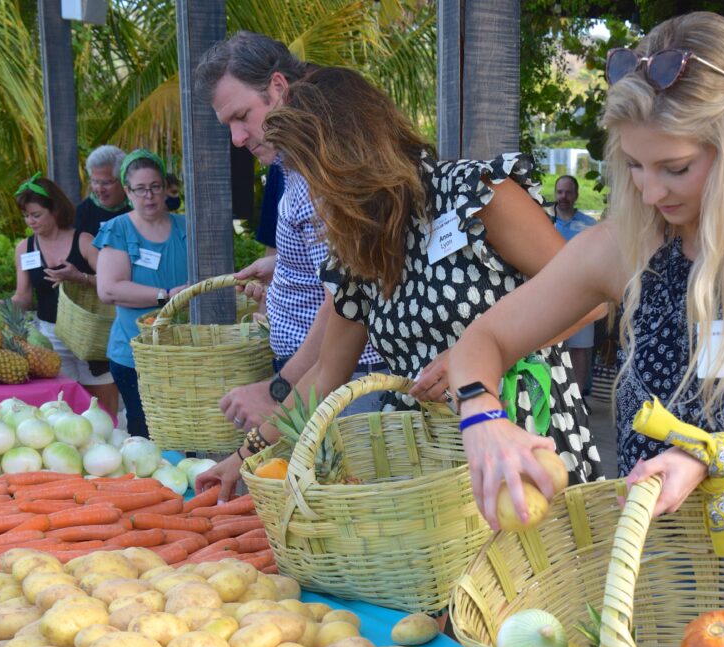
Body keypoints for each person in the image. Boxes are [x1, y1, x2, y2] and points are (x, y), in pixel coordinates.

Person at [447, 13, 724, 647]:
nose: (650, 191)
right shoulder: (628, 244)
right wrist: (482, 418)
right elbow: (485, 338)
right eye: (633, 165)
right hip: (664, 576)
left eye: (675, 167)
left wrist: (710, 455)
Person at [196, 66, 604, 500]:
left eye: (317, 173)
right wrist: (243, 458)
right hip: (428, 472)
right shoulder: (360, 246)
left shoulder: (473, 195)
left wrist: (481, 355)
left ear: (355, 149)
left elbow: (590, 298)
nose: (316, 192)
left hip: (527, 445)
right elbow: (325, 373)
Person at [192, 31, 384, 445]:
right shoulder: (293, 161)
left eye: (242, 116)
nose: (238, 138)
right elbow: (341, 265)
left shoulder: (321, 168)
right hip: (326, 377)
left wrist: (279, 387)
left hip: (342, 383)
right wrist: (283, 270)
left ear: (278, 88)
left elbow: (346, 298)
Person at [94, 150, 188, 437]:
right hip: (135, 354)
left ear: (165, 188)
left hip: (185, 352)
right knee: (147, 433)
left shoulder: (186, 226)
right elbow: (109, 289)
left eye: (155, 187)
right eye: (140, 189)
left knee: (186, 430)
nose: (149, 196)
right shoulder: (118, 229)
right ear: (127, 191)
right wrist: (168, 296)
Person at [11, 174, 119, 414]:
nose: (30, 221)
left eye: (36, 215)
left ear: (55, 211)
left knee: (102, 407)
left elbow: (113, 284)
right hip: (50, 335)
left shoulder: (84, 242)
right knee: (61, 410)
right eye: (26, 215)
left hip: (90, 335)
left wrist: (79, 277)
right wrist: (3, 307)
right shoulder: (24, 248)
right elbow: (24, 297)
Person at [552, 174, 598, 391]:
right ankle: (558, 397)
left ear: (577, 195)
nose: (564, 196)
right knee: (552, 346)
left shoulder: (590, 226)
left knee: (580, 348)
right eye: (560, 192)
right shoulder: (544, 221)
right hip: (550, 294)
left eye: (568, 192)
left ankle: (578, 398)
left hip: (581, 295)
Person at [74, 145, 131, 235]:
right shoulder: (82, 214)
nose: (100, 189)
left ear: (123, 180)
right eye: (95, 182)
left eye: (106, 183)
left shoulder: (138, 207)